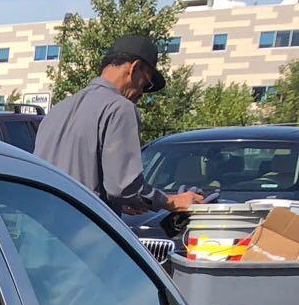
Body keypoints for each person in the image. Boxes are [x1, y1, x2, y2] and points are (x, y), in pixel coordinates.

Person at [35, 34, 205, 218]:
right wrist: (173, 201)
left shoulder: (58, 109)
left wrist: (122, 201)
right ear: (135, 68)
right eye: (145, 84)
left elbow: (79, 179)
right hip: (81, 234)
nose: (141, 93)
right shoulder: (120, 108)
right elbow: (124, 187)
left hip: (39, 229)